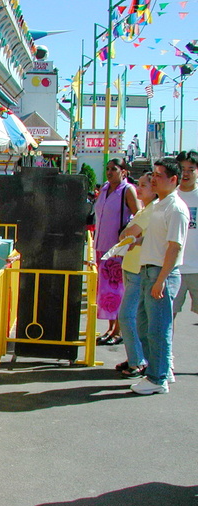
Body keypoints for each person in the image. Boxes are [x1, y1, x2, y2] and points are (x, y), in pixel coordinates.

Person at [128, 157, 189, 394]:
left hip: (161, 273)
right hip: (148, 270)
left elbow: (174, 247)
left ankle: (158, 378)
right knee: (144, 324)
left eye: (159, 175)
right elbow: (157, 237)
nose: (154, 179)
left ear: (173, 180)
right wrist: (136, 241)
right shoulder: (160, 205)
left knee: (157, 328)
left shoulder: (175, 208)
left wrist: (162, 280)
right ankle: (160, 370)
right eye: (153, 174)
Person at [115, 172, 158, 378]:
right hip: (132, 267)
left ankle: (138, 361)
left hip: (139, 269)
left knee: (128, 316)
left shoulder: (151, 211)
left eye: (143, 185)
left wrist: (129, 235)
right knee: (134, 318)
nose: (138, 189)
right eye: (138, 184)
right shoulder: (145, 210)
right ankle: (136, 357)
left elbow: (127, 234)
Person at [94, 159, 140, 345]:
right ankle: (111, 328)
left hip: (117, 249)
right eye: (107, 169)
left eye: (114, 169)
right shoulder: (105, 189)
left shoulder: (127, 190)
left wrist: (130, 238)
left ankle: (119, 331)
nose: (110, 172)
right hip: (101, 247)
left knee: (117, 290)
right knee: (107, 292)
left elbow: (139, 216)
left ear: (124, 172)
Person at [173, 150, 198, 318]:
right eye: (182, 168)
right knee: (167, 319)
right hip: (174, 269)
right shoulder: (170, 196)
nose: (186, 173)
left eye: (191, 169)